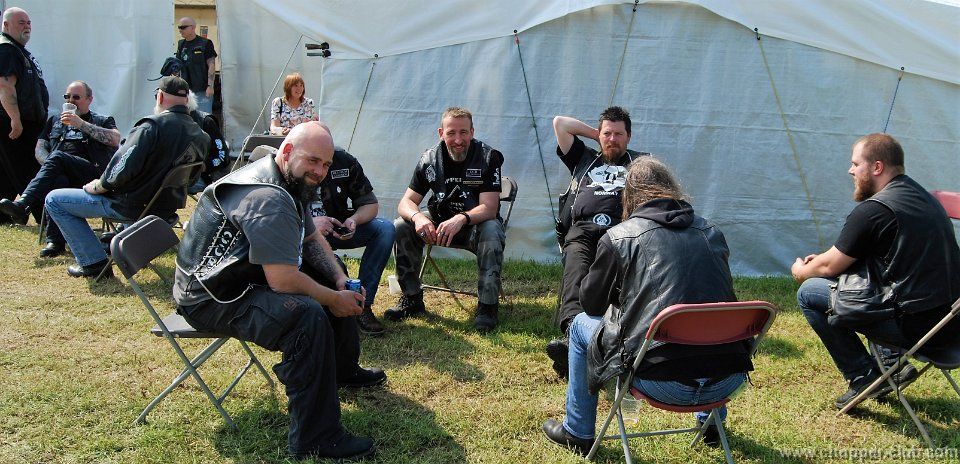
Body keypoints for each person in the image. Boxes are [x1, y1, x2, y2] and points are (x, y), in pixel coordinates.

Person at [173, 122, 383, 461]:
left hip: (237, 277)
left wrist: (338, 280)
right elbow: (283, 281)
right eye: (313, 160)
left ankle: (341, 370)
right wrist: (334, 299)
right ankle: (316, 438)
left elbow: (311, 238)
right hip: (209, 296)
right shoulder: (269, 198)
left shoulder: (289, 178)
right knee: (306, 316)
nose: (320, 172)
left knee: (332, 276)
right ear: (287, 151)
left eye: (326, 164)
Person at [542, 157, 752, 455]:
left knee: (578, 326)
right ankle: (710, 423)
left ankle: (577, 431)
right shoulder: (711, 232)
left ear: (627, 195)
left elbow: (591, 305)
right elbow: (722, 301)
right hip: (726, 381)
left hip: (659, 381)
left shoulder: (619, 236)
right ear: (673, 189)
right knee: (708, 316)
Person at [791, 133, 960, 409]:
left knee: (809, 292)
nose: (850, 170)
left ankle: (863, 375)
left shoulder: (874, 211)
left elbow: (828, 266)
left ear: (877, 167)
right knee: (860, 278)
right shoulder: (924, 199)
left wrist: (801, 270)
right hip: (950, 326)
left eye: (856, 164)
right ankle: (891, 361)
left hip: (917, 329)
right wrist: (823, 260)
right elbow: (857, 257)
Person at [44, 76, 209, 278]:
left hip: (131, 206)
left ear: (160, 97)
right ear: (187, 100)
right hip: (165, 209)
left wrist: (99, 186)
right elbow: (192, 180)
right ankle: (120, 244)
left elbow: (121, 168)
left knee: (54, 200)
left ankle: (93, 262)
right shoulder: (201, 135)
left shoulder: (151, 127)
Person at [546, 106, 648, 379]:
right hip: (581, 229)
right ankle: (573, 333)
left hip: (620, 232)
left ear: (629, 137)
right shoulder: (584, 158)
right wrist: (597, 136)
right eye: (607, 134)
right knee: (577, 265)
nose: (612, 139)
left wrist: (606, 136)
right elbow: (560, 122)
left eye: (618, 134)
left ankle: (588, 343)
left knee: (610, 273)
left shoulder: (640, 163)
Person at [387, 107, 505, 332]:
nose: (458, 140)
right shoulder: (429, 159)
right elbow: (406, 202)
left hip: (475, 227)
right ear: (441, 133)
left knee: (492, 230)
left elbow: (490, 208)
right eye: (451, 133)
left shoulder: (488, 157)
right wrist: (418, 218)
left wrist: (461, 218)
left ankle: (487, 307)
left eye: (463, 132)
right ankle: (412, 299)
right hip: (438, 225)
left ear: (472, 132)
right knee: (401, 225)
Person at [0, 81, 120, 258]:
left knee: (57, 157)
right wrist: (50, 165)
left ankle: (23, 204)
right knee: (58, 179)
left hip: (91, 175)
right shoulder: (55, 121)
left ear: (89, 99)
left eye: (76, 97)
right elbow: (40, 148)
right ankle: (55, 243)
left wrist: (81, 124)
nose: (71, 101)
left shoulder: (102, 120)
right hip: (61, 171)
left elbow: (115, 140)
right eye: (67, 97)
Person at [309, 140, 395, 336]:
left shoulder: (344, 161)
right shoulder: (290, 165)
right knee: (338, 268)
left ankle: (363, 306)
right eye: (314, 159)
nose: (320, 168)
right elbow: (277, 219)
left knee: (384, 229)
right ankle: (324, 309)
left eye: (327, 162)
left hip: (336, 227)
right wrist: (309, 225)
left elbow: (370, 204)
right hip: (302, 236)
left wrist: (353, 220)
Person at [0, 7, 48, 208]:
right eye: (21, 22)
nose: (27, 26)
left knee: (6, 170)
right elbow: (5, 85)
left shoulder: (18, 50)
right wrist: (15, 118)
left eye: (28, 22)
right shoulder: (7, 49)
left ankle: (3, 213)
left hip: (26, 120)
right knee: (28, 168)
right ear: (6, 25)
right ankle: (39, 211)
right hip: (16, 121)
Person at [176, 16, 217, 113]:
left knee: (203, 116)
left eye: (183, 27)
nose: (180, 30)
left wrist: (210, 86)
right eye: (179, 27)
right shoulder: (181, 44)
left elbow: (211, 65)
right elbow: (178, 64)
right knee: (186, 117)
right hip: (185, 90)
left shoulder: (205, 43)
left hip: (202, 89)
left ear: (193, 27)